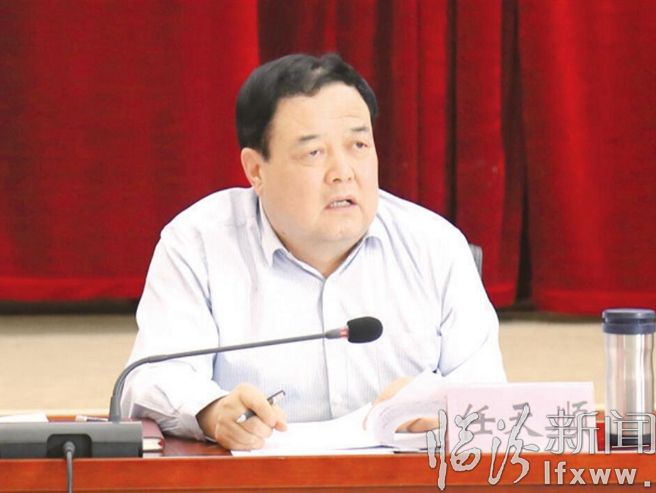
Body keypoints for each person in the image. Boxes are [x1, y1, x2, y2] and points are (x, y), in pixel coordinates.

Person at [121, 53, 506, 451]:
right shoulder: (197, 244)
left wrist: (442, 407)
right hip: (256, 477)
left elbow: (488, 394)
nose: (343, 172)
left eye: (359, 145)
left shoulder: (435, 245)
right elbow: (152, 377)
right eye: (313, 153)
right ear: (256, 170)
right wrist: (212, 411)